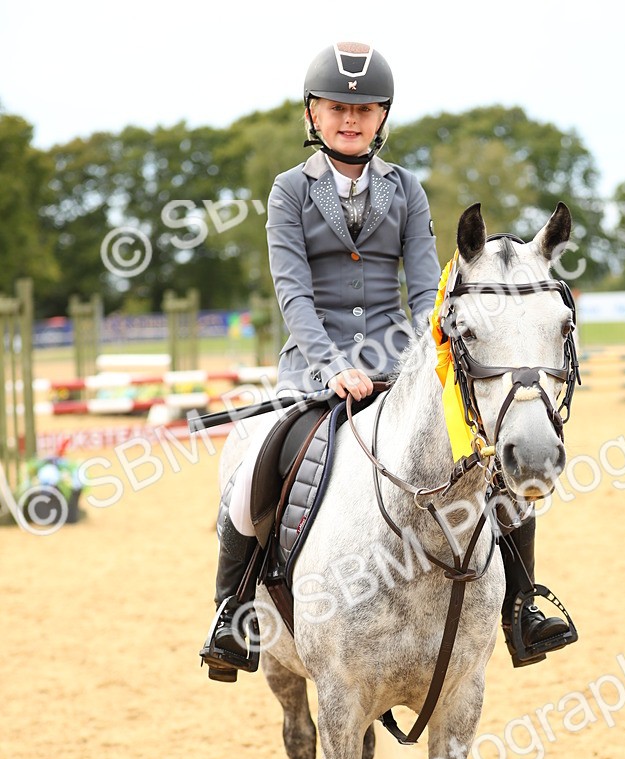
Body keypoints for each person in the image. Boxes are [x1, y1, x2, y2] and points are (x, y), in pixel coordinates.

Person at [199, 41, 571, 682]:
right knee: (254, 470)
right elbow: (293, 293)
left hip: (402, 366)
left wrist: (427, 361)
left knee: (491, 471)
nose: (351, 119)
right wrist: (329, 367)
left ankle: (521, 605)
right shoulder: (288, 192)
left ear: (382, 117)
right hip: (312, 368)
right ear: (312, 114)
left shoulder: (406, 190)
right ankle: (233, 616)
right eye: (337, 108)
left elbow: (427, 291)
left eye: (364, 109)